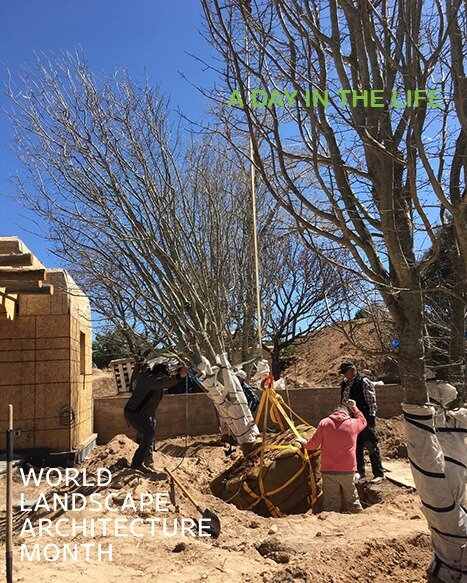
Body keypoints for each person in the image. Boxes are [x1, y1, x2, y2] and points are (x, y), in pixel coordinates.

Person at [297, 399, 366, 513]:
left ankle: (332, 522)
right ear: (346, 414)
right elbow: (363, 421)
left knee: (331, 502)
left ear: (334, 412)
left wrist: (303, 442)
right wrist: (354, 407)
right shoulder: (353, 423)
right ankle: (358, 518)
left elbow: (313, 445)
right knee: (352, 497)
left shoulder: (324, 423)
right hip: (348, 469)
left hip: (329, 469)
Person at [124, 361, 189, 470]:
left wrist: (180, 374)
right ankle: (137, 463)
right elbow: (163, 383)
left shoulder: (154, 380)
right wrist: (179, 375)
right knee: (149, 434)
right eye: (165, 375)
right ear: (160, 373)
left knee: (148, 435)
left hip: (143, 414)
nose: (165, 377)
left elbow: (166, 383)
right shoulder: (149, 379)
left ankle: (145, 461)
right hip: (135, 414)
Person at [339, 360, 384, 482]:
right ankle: (360, 472)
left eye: (346, 372)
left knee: (370, 445)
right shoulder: (344, 384)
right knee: (356, 447)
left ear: (353, 370)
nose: (344, 375)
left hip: (363, 419)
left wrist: (371, 418)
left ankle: (379, 473)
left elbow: (371, 402)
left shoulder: (363, 381)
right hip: (351, 420)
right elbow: (343, 401)